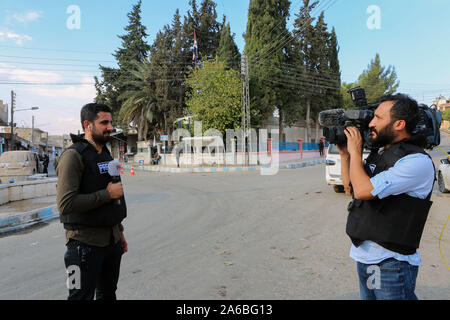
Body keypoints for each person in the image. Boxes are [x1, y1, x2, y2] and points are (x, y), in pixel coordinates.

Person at [338, 93, 435, 300]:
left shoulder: (416, 161)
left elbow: (364, 190)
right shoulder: (381, 153)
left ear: (399, 124)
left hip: (391, 262)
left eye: (378, 118)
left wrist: (356, 152)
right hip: (366, 257)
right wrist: (346, 155)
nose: (371, 123)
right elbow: (352, 189)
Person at [56, 103, 128, 300]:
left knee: (107, 294)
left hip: (111, 243)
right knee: (79, 297)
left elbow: (114, 200)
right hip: (82, 247)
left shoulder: (104, 154)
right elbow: (66, 204)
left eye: (110, 122)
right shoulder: (72, 156)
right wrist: (106, 194)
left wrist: (119, 232)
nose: (110, 127)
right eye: (104, 122)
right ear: (88, 125)